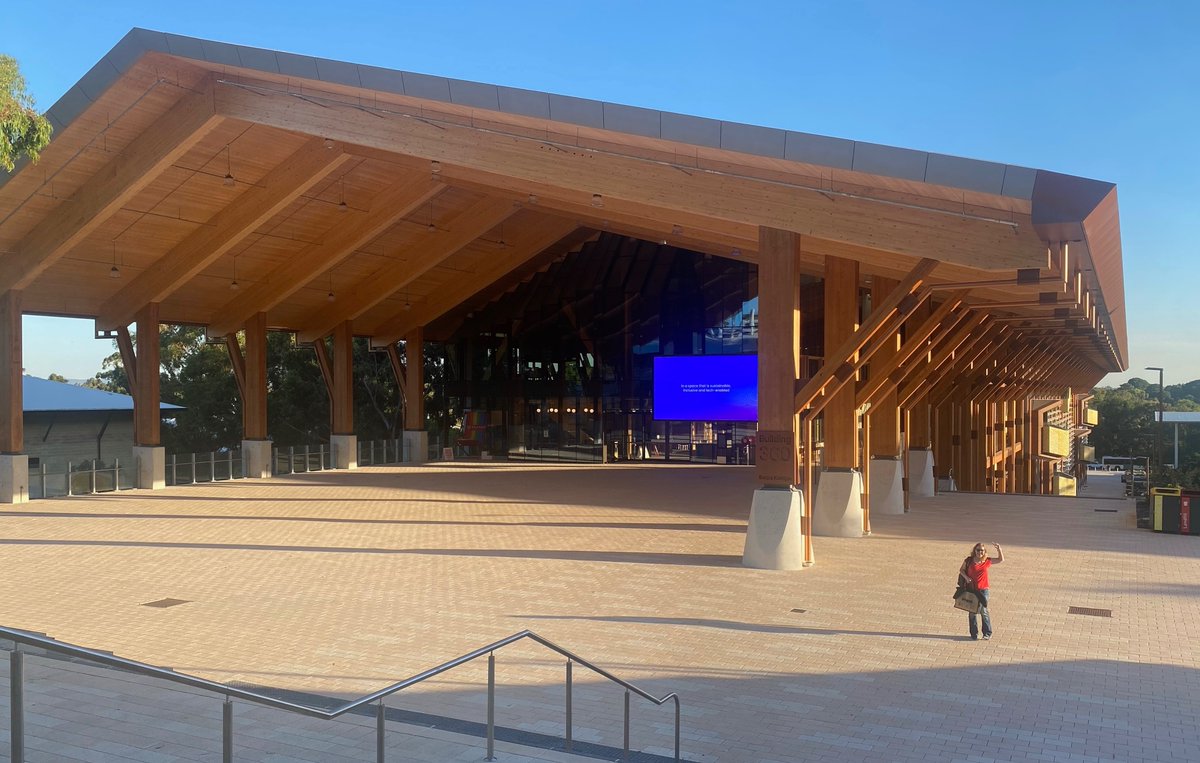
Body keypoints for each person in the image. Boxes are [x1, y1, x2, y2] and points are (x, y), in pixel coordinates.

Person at [958, 542, 1004, 640]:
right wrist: (966, 578)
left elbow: (1000, 560)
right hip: (971, 589)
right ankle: (974, 634)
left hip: (984, 590)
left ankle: (987, 633)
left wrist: (999, 549)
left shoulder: (987, 561)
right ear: (974, 551)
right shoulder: (969, 560)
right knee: (972, 612)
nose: (980, 552)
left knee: (983, 610)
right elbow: (961, 570)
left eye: (982, 550)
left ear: (984, 552)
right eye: (978, 550)